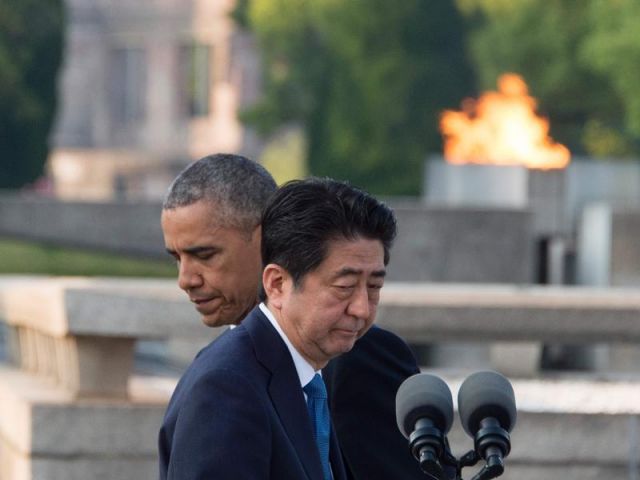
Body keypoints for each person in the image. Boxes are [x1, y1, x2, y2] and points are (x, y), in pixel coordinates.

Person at [158, 154, 426, 479]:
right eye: (344, 286)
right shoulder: (226, 384)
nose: (361, 308)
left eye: (204, 255)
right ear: (276, 282)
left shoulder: (339, 359)